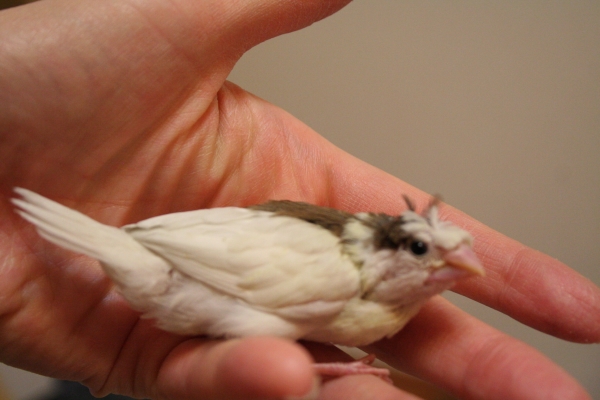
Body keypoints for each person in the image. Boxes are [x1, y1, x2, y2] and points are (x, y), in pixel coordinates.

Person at [0, 1, 598, 399]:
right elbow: (245, 313)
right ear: (387, 248)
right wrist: (328, 363)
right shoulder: (337, 274)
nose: (455, 268)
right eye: (422, 251)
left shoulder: (368, 293)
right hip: (176, 275)